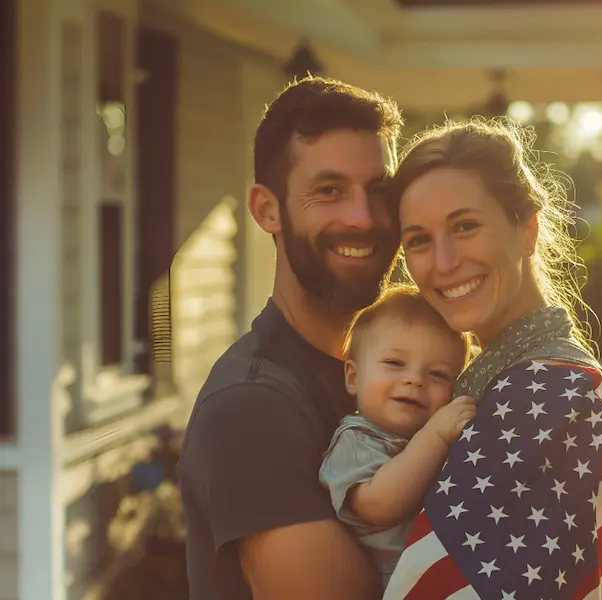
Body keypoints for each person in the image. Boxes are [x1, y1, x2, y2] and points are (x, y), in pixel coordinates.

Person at [382, 119, 602, 599]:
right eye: (419, 240)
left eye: (465, 226)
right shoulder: (498, 379)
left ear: (526, 229)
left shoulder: (543, 395)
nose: (442, 262)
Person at [177, 76, 404, 600]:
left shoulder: (401, 370)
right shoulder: (250, 407)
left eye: (379, 190)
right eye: (329, 191)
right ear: (266, 209)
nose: (363, 217)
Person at [319, 285, 475, 588]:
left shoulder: (443, 435)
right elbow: (378, 504)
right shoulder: (356, 439)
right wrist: (436, 435)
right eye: (395, 363)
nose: (414, 379)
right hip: (394, 587)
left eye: (438, 374)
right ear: (353, 377)